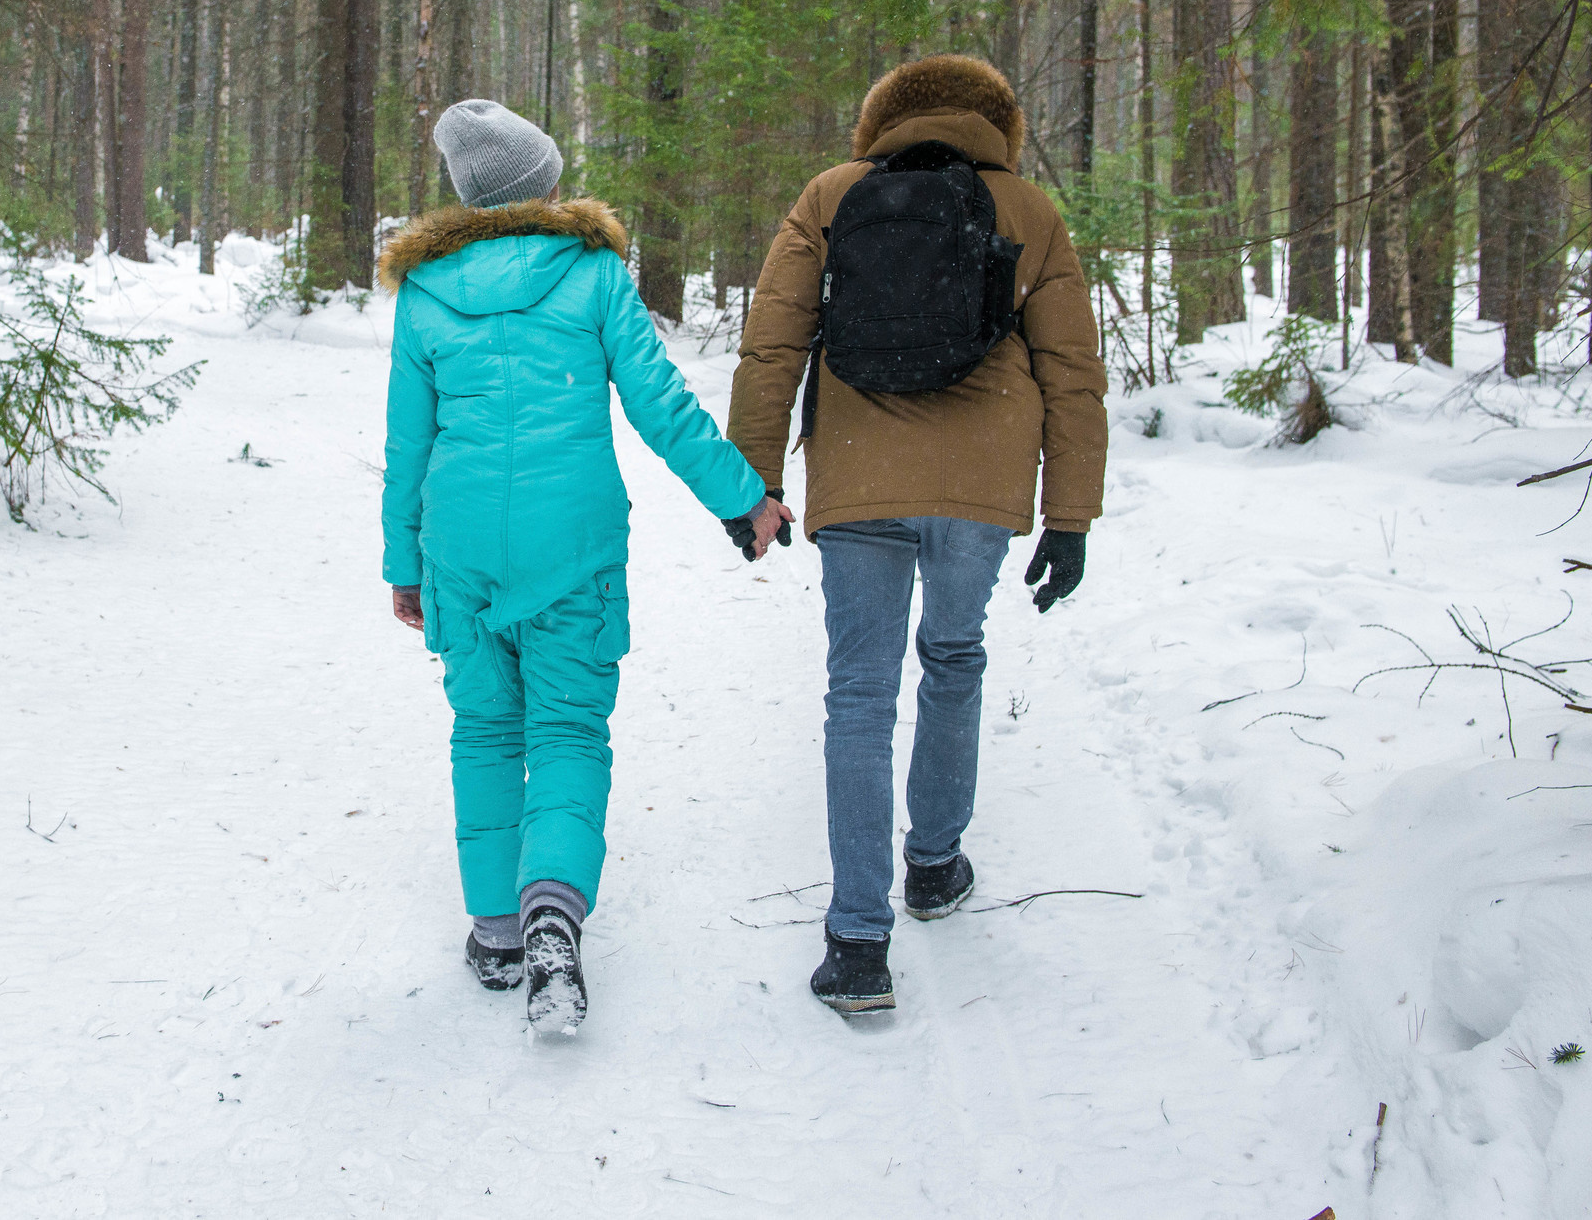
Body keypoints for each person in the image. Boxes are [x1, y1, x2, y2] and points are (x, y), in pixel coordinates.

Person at [381, 98, 791, 1033]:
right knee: (567, 729)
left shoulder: (427, 290)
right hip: (572, 548)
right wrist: (744, 499)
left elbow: (408, 446)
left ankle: (496, 932)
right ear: (543, 181)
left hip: (461, 550)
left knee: (487, 730)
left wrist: (406, 565)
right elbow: (661, 404)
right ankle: (552, 917)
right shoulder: (593, 272)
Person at [725, 55, 1108, 1015]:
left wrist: (752, 482)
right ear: (998, 123)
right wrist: (1069, 514)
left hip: (858, 471)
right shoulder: (1029, 209)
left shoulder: (831, 195)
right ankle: (934, 865)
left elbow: (773, 343)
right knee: (954, 653)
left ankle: (858, 942)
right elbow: (1071, 369)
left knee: (859, 691)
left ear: (881, 120)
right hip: (981, 480)